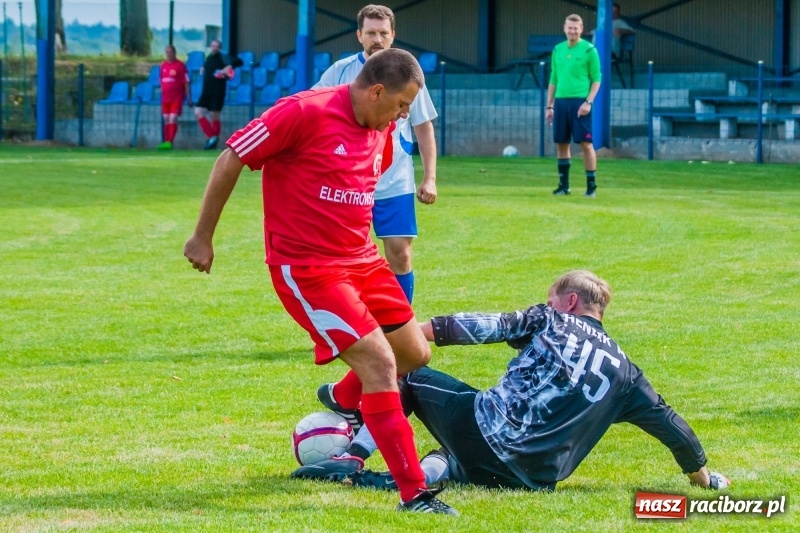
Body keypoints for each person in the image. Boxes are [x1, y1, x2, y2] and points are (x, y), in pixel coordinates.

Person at [183, 48, 457, 516]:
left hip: (363, 260)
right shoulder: (302, 111)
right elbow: (231, 158)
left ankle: (341, 397)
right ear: (375, 91)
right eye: (402, 105)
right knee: (380, 364)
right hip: (308, 269)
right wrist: (202, 237)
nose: (405, 115)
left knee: (414, 353)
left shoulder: (382, 125)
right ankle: (414, 494)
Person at [294, 270, 731, 494]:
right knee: (447, 454)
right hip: (533, 477)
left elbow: (488, 325)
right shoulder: (628, 376)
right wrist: (704, 479)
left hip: (487, 436)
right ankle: (409, 476)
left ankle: (350, 458)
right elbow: (671, 425)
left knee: (408, 372)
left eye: (552, 298)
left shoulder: (552, 318)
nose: (547, 304)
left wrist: (414, 335)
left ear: (570, 301)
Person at [313, 4, 438, 304]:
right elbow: (313, 110)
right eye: (371, 33)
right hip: (346, 185)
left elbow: (424, 129)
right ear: (359, 35)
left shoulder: (409, 74)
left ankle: (401, 325)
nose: (377, 39)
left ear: (393, 35)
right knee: (340, 256)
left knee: (400, 252)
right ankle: (351, 320)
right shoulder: (340, 72)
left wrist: (430, 178)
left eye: (383, 33)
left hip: (394, 182)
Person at [546, 14, 602, 198]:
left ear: (581, 29)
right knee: (562, 144)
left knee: (586, 144)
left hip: (580, 103)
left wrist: (589, 102)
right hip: (561, 103)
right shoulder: (557, 50)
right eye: (569, 28)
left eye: (575, 28)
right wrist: (550, 106)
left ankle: (591, 187)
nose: (572, 31)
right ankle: (564, 186)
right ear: (564, 28)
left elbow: (597, 79)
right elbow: (553, 79)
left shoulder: (589, 50)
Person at [193, 39, 243, 150]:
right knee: (198, 112)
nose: (214, 48)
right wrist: (203, 68)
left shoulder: (223, 57)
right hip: (206, 91)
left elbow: (239, 61)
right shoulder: (208, 58)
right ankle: (212, 137)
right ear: (210, 46)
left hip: (218, 91)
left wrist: (229, 67)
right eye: (213, 46)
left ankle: (213, 142)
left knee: (214, 115)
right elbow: (209, 68)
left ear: (219, 48)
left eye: (216, 46)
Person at [158, 45, 192, 150]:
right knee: (166, 119)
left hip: (176, 97)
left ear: (174, 53)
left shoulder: (180, 66)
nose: (169, 54)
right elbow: (161, 81)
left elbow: (186, 82)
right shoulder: (163, 65)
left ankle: (170, 142)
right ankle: (166, 141)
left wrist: (188, 97)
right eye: (167, 52)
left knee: (173, 118)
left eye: (170, 52)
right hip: (165, 98)